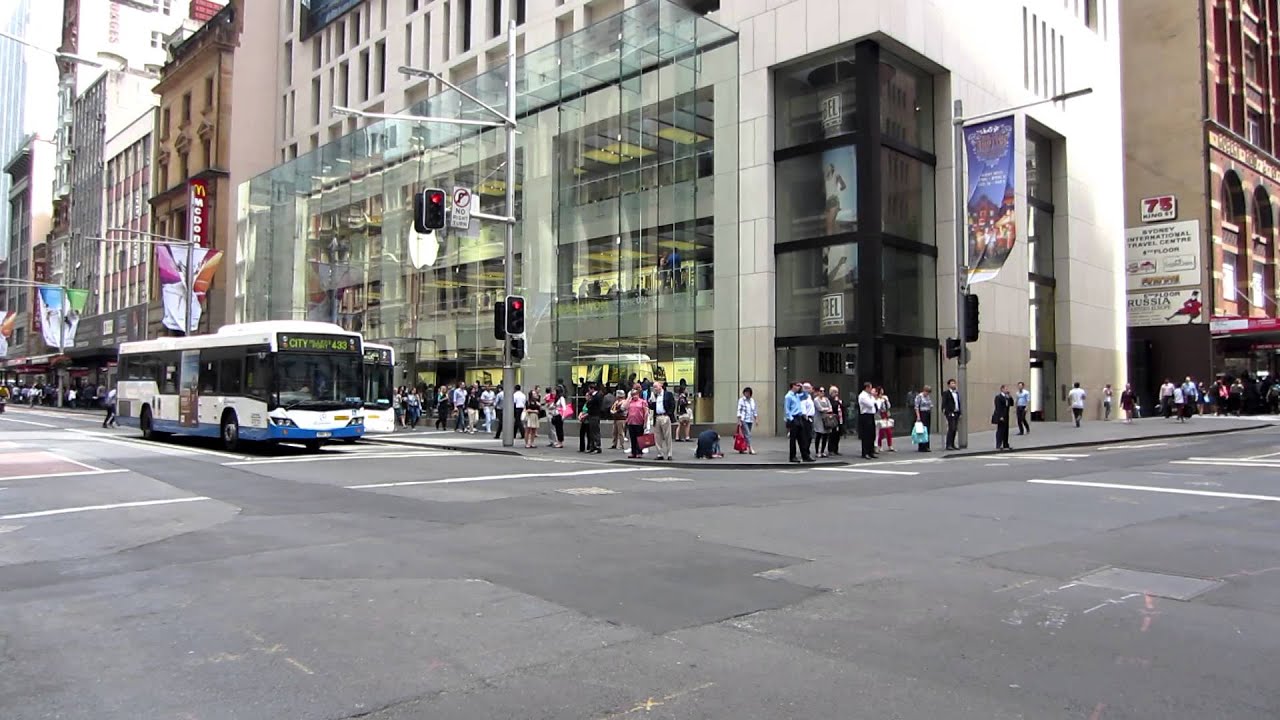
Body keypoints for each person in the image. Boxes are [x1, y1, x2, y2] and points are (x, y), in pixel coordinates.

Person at [649, 381, 676, 461]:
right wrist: (651, 402)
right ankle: (659, 454)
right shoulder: (654, 396)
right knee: (657, 437)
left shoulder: (668, 394)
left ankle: (669, 454)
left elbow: (672, 404)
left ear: (660, 386)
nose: (655, 389)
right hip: (657, 417)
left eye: (656, 387)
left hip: (665, 416)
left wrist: (668, 414)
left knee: (667, 436)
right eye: (654, 387)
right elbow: (652, 407)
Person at [784, 381, 808, 462]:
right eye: (797, 386)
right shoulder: (788, 396)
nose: (798, 387)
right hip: (794, 418)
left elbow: (805, 396)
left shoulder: (797, 395)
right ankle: (792, 456)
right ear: (793, 386)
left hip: (799, 417)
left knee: (802, 438)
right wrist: (791, 419)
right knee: (793, 439)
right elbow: (787, 409)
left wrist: (803, 388)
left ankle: (805, 455)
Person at [625, 389, 649, 459]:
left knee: (639, 438)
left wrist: (645, 422)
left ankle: (639, 452)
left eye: (635, 394)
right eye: (633, 395)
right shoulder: (630, 402)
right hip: (631, 422)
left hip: (639, 422)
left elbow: (646, 412)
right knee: (632, 438)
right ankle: (633, 452)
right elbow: (624, 407)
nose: (634, 396)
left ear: (638, 394)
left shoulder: (642, 402)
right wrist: (628, 399)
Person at [857, 381, 877, 460]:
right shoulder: (863, 396)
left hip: (871, 415)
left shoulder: (869, 396)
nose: (871, 390)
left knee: (872, 434)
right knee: (866, 435)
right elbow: (870, 404)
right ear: (867, 388)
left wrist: (872, 398)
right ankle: (865, 452)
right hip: (865, 416)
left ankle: (871, 451)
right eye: (870, 388)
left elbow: (875, 404)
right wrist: (873, 398)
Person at [812, 386, 834, 458]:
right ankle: (817, 451)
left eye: (823, 391)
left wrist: (826, 409)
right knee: (818, 435)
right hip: (819, 419)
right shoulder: (816, 400)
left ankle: (822, 451)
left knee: (825, 436)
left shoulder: (826, 399)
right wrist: (827, 409)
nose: (822, 393)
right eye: (821, 391)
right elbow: (820, 409)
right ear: (818, 392)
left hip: (826, 419)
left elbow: (830, 407)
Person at [941, 378, 962, 451]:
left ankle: (953, 444)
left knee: (955, 429)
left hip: (956, 412)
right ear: (949, 385)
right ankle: (948, 444)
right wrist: (945, 411)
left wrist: (960, 412)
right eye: (952, 383)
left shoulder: (956, 393)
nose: (954, 384)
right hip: (950, 413)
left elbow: (958, 403)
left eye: (954, 383)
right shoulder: (946, 393)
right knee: (951, 428)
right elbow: (944, 403)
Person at [736, 387, 758, 455]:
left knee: (745, 435)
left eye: (748, 392)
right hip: (743, 419)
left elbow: (754, 410)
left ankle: (742, 448)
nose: (746, 394)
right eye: (745, 392)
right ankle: (750, 448)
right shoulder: (741, 400)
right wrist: (739, 420)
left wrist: (756, 419)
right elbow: (739, 410)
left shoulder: (752, 400)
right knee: (748, 434)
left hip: (750, 420)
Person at [798, 383, 817, 460]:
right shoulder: (803, 397)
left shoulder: (809, 396)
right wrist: (805, 416)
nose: (811, 389)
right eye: (809, 388)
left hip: (811, 417)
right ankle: (805, 454)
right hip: (806, 418)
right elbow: (802, 407)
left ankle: (807, 453)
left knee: (809, 437)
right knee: (806, 437)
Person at [584, 383, 604, 453]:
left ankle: (597, 446)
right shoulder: (594, 396)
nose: (588, 391)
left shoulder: (597, 396)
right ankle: (592, 446)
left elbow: (590, 404)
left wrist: (588, 400)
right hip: (592, 414)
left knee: (595, 431)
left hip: (595, 415)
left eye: (589, 389)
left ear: (592, 389)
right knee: (591, 431)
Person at [992, 385, 1013, 450]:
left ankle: (1005, 444)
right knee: (1000, 430)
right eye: (1006, 389)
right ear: (1002, 389)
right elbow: (998, 407)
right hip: (1001, 416)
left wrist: (1010, 397)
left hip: (1006, 416)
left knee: (1006, 430)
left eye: (1007, 389)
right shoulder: (998, 397)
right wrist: (1000, 416)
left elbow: (1012, 404)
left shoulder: (1007, 397)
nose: (1007, 390)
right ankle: (998, 444)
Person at [874, 386, 894, 452]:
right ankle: (879, 445)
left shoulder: (885, 397)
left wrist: (886, 400)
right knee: (880, 431)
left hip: (885, 414)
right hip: (880, 415)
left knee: (888, 430)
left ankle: (890, 445)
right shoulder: (876, 399)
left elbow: (888, 406)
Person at [913, 385, 933, 452]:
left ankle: (927, 445)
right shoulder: (919, 396)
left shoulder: (928, 397)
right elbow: (916, 407)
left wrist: (930, 407)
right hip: (922, 413)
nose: (927, 394)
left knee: (927, 429)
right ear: (924, 390)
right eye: (927, 392)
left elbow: (930, 404)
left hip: (927, 412)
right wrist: (918, 416)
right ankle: (922, 446)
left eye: (928, 392)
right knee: (921, 430)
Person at [827, 386, 845, 456]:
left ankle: (836, 449)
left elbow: (843, 407)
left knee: (837, 435)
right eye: (835, 392)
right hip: (833, 419)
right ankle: (831, 449)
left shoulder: (838, 400)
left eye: (837, 392)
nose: (836, 394)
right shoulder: (830, 400)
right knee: (832, 434)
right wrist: (837, 402)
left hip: (840, 418)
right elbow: (833, 407)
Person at [551, 384, 569, 448]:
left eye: (555, 391)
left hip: (559, 415)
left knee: (559, 429)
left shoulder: (561, 398)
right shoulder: (556, 398)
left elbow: (564, 407)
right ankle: (558, 441)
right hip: (555, 414)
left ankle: (560, 442)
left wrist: (563, 416)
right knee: (557, 429)